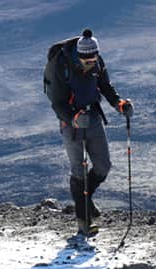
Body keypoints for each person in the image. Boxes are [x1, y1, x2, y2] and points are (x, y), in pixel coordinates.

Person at [48, 28, 133, 236]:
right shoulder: (62, 67)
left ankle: (85, 200)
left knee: (103, 165)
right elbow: (57, 103)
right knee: (79, 171)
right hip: (71, 124)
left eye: (93, 56)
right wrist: (73, 118)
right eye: (87, 57)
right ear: (79, 54)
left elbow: (105, 85)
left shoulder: (98, 63)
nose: (91, 60)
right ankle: (83, 222)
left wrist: (119, 103)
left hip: (92, 117)